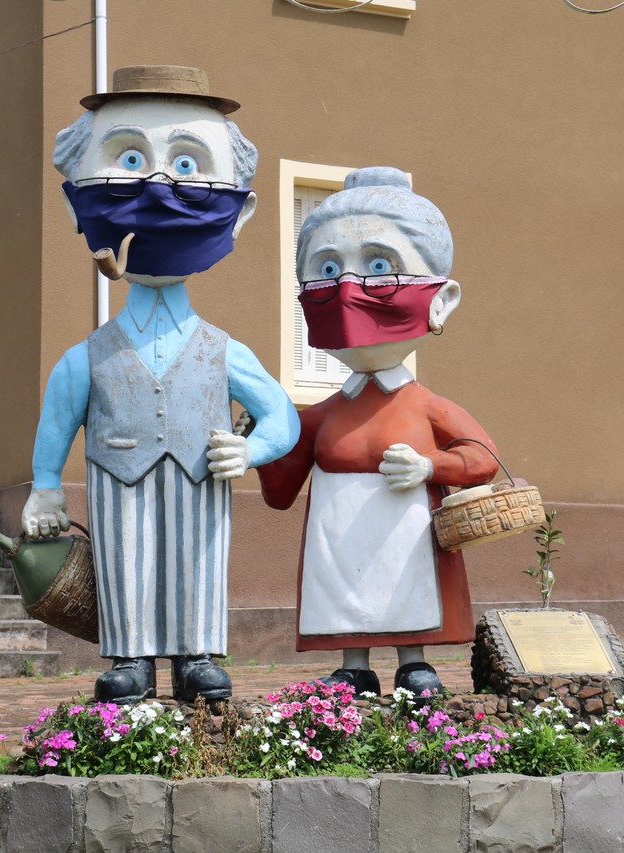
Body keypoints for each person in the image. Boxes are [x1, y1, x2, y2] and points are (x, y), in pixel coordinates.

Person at [23, 66, 299, 705]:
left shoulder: (224, 350)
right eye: (129, 159)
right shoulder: (86, 357)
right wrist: (44, 485)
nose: (158, 185)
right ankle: (131, 658)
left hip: (201, 478)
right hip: (116, 476)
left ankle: (197, 654)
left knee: (198, 559)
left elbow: (282, 416)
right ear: (76, 202)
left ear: (238, 211)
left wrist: (251, 450)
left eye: (186, 164)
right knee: (124, 560)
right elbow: (58, 417)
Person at [258, 167, 499, 698]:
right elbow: (280, 491)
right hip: (335, 544)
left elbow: (483, 458)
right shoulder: (319, 416)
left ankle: (413, 661)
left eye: (379, 267)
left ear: (440, 299)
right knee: (344, 596)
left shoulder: (427, 406)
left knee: (410, 588)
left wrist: (430, 466)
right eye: (326, 269)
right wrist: (259, 441)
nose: (348, 289)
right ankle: (354, 666)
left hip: (408, 536)